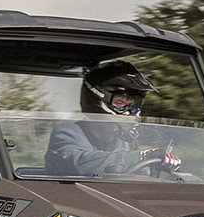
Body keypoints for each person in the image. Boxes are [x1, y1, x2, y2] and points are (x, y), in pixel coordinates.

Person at [44, 60, 180, 176]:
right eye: (120, 103)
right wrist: (140, 156)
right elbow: (74, 163)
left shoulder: (126, 141)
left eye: (133, 104)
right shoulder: (68, 132)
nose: (128, 113)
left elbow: (132, 172)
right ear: (96, 102)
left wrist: (158, 165)